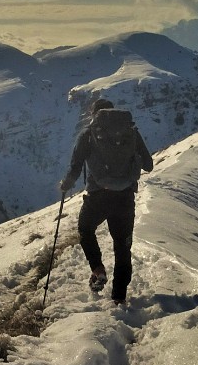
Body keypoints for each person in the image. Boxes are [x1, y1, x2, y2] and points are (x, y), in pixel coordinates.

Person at [59, 97, 154, 304]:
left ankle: (98, 269)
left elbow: (75, 167)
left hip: (98, 196)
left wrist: (65, 184)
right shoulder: (131, 133)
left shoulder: (88, 134)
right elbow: (149, 165)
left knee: (85, 229)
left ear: (95, 115)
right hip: (125, 198)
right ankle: (119, 298)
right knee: (122, 246)